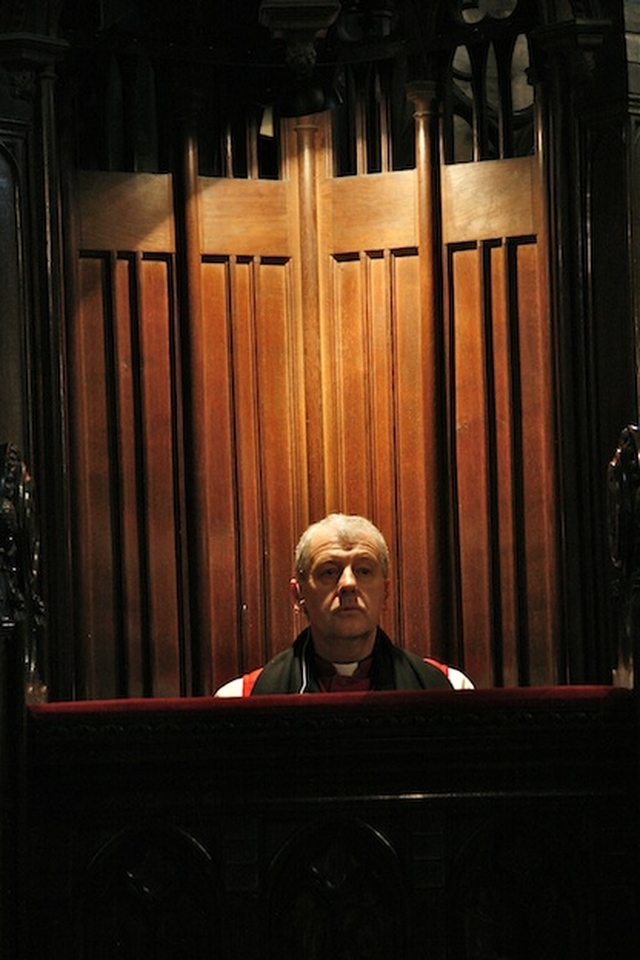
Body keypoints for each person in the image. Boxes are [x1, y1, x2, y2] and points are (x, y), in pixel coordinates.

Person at [215, 513, 473, 696]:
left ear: (385, 591)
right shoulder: (241, 699)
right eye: (329, 572)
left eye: (363, 570)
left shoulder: (449, 690)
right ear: (298, 594)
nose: (348, 583)